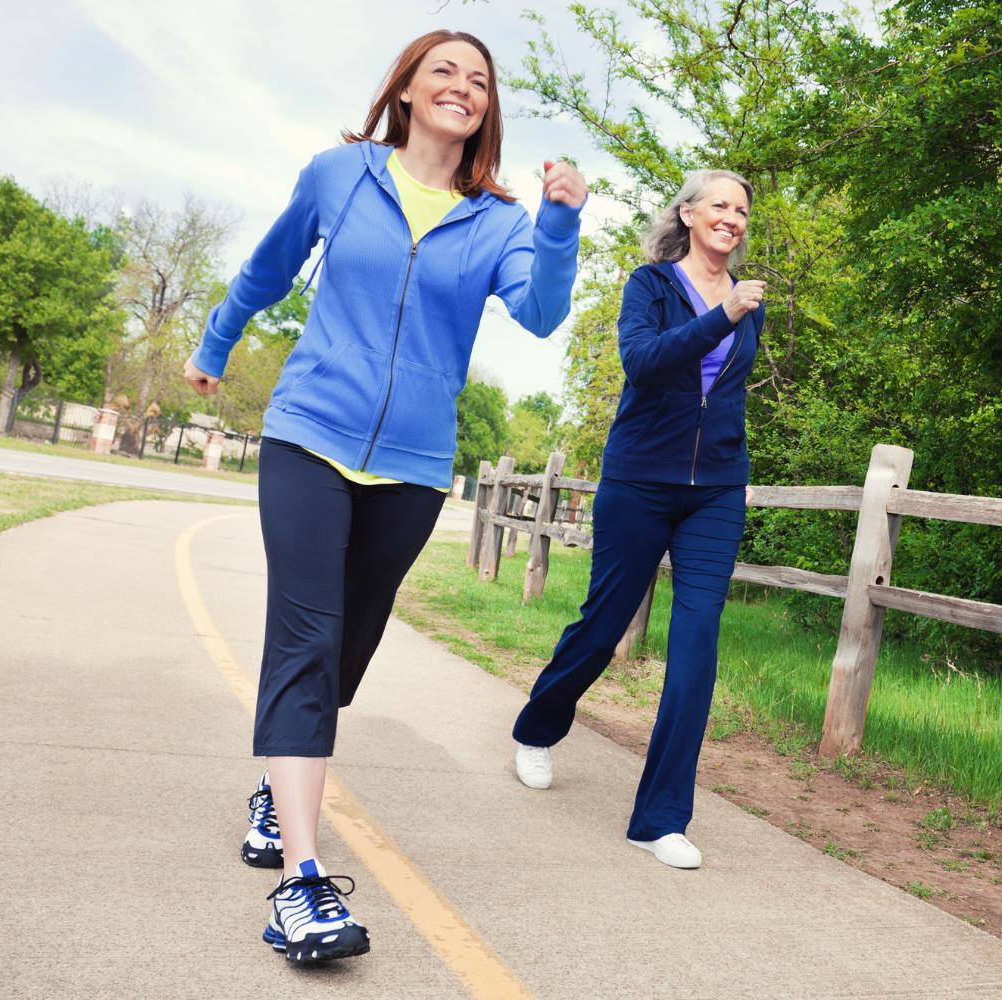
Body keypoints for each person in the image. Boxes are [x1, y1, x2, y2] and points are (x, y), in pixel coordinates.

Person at [182, 29, 586, 964]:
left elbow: (540, 312)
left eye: (479, 80)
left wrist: (559, 224)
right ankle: (303, 886)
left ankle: (275, 793)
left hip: (410, 464)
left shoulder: (496, 223)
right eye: (443, 69)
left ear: (489, 111)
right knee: (306, 636)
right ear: (404, 88)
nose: (461, 86)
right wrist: (214, 343)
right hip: (309, 433)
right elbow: (270, 266)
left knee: (348, 649)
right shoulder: (340, 174)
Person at [510, 169, 764, 870]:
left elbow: (730, 397)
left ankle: (659, 818)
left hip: (714, 492)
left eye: (742, 211)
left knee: (696, 644)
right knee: (602, 626)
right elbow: (643, 363)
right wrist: (725, 315)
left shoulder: (749, 302)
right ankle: (536, 726)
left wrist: (736, 471)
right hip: (640, 482)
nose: (733, 218)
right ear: (687, 214)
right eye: (720, 205)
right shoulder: (649, 286)